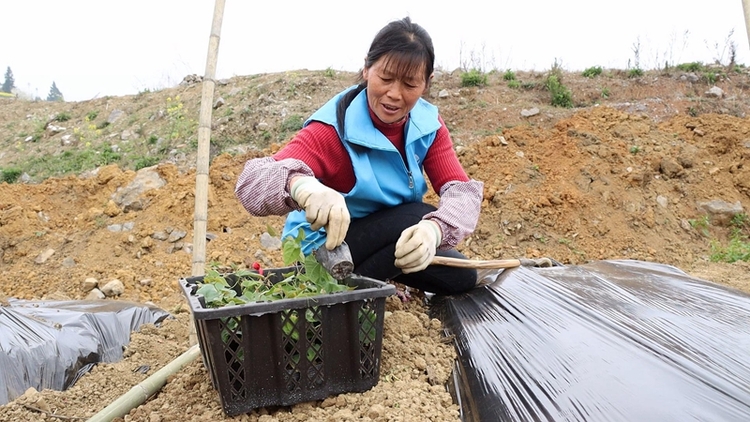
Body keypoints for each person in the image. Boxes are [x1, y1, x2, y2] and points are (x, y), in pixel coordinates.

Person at [235, 17, 484, 295]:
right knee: (417, 215)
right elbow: (252, 180)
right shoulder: (334, 128)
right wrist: (304, 188)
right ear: (366, 68)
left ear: (427, 83)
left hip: (381, 239)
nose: (394, 94)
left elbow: (461, 191)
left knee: (461, 277)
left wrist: (434, 232)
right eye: (385, 78)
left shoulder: (427, 126)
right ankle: (327, 291)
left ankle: (365, 286)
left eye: (410, 84)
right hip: (324, 249)